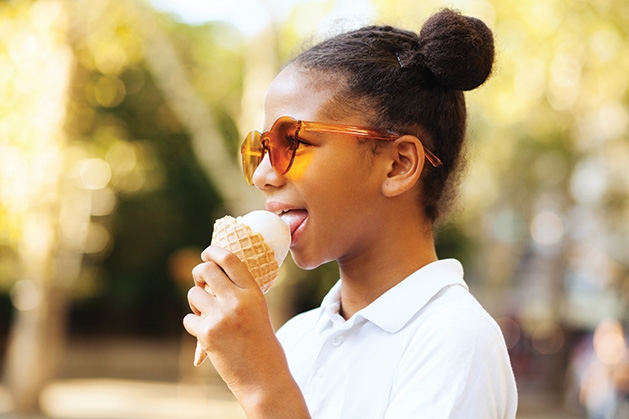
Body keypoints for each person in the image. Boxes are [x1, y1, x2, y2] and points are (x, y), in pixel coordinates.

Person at [184, 8, 518, 418]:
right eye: (261, 148)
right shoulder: (297, 337)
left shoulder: (456, 339)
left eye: (293, 142)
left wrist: (262, 387)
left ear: (398, 164)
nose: (263, 175)